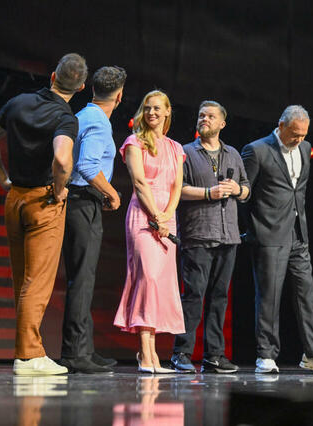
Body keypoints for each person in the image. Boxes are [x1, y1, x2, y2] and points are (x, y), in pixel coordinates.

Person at [0, 53, 87, 375]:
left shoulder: (18, 102)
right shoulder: (65, 117)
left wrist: (3, 178)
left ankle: (29, 352)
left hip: (15, 200)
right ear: (80, 87)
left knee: (23, 281)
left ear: (53, 76)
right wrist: (61, 188)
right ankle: (28, 356)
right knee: (36, 283)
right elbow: (62, 160)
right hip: (44, 202)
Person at [241, 105, 313, 373]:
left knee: (306, 295)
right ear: (281, 125)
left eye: (304, 134)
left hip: (298, 233)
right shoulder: (257, 150)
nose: (299, 139)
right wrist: (255, 229)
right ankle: (266, 354)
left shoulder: (305, 149)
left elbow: (299, 191)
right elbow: (244, 194)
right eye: (295, 133)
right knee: (269, 297)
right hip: (269, 233)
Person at [170, 101, 250, 374]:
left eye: (210, 116)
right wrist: (208, 193)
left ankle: (214, 355)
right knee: (193, 295)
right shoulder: (185, 152)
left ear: (222, 124)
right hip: (198, 235)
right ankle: (181, 353)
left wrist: (237, 189)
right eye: (201, 115)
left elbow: (247, 188)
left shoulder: (233, 154)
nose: (204, 119)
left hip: (228, 236)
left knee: (219, 297)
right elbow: (177, 189)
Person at [60, 66, 126, 374]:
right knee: (82, 280)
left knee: (82, 278)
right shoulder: (99, 122)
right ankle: (75, 353)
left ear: (92, 89)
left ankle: (83, 348)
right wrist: (112, 193)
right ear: (119, 96)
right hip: (83, 202)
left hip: (77, 202)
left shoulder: (83, 114)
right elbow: (87, 166)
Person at [113, 90, 185, 373]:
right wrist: (156, 215)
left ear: (167, 112)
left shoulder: (176, 148)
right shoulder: (135, 142)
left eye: (157, 108)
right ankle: (145, 353)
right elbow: (140, 183)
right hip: (144, 216)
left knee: (160, 284)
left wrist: (167, 215)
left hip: (167, 218)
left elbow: (177, 186)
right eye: (147, 108)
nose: (151, 113)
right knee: (148, 279)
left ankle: (153, 355)